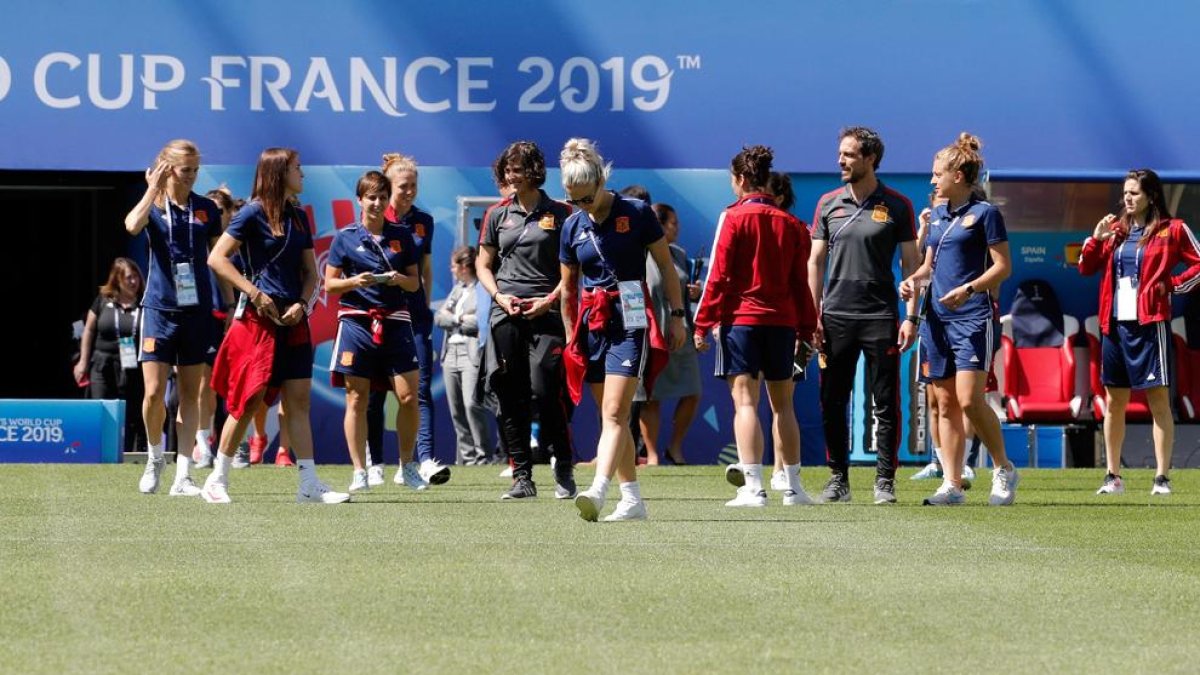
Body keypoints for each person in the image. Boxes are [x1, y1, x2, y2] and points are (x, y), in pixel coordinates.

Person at [202, 147, 349, 504]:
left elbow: (312, 273)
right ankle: (217, 479)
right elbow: (217, 258)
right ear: (279, 172)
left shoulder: (298, 216)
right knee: (249, 399)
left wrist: (302, 304)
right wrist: (254, 293)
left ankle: (309, 484)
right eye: (297, 168)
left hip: (293, 320)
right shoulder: (250, 213)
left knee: (298, 401)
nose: (303, 174)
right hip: (258, 319)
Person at [559, 138, 687, 521]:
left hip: (630, 312)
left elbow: (665, 267)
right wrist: (570, 335)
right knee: (610, 415)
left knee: (616, 411)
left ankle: (598, 491)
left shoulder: (637, 212)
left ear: (602, 181)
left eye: (587, 197)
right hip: (592, 321)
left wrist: (677, 315)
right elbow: (567, 288)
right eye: (574, 200)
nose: (582, 206)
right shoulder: (571, 226)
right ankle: (632, 500)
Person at [693, 145, 818, 507]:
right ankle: (794, 489)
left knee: (745, 403)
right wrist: (807, 330)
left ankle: (753, 488)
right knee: (784, 406)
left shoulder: (732, 217)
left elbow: (718, 276)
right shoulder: (793, 225)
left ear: (741, 179)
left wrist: (701, 323)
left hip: (742, 323)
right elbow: (801, 285)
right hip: (782, 325)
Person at [899, 132, 1018, 506]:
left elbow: (1003, 267)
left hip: (973, 318)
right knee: (945, 402)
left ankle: (1003, 468)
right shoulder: (936, 215)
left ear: (959, 176)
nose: (932, 180)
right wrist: (912, 281)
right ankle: (952, 484)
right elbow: (928, 267)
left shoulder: (987, 214)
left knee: (969, 401)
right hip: (936, 321)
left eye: (938, 174)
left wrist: (968, 289)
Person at [809, 127, 920, 505]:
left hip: (880, 316)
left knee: (885, 402)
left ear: (870, 159)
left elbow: (911, 264)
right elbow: (815, 261)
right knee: (832, 401)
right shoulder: (828, 203)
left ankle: (885, 481)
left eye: (849, 155)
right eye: (840, 153)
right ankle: (838, 479)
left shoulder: (898, 205)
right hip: (835, 317)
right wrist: (814, 313)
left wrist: (911, 317)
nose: (840, 160)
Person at [1078, 168, 1200, 496]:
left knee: (1158, 399)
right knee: (1114, 401)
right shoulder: (1115, 231)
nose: (1128, 199)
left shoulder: (1173, 229)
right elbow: (1086, 267)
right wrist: (1097, 238)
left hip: (1149, 324)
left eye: (1134, 193)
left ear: (1151, 195)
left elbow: (1199, 263)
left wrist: (1172, 285)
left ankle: (1161, 478)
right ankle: (1112, 476)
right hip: (1114, 325)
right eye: (1125, 193)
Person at [477, 141, 577, 499]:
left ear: (534, 171)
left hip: (548, 314)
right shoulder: (496, 214)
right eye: (506, 170)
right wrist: (499, 297)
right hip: (506, 313)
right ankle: (522, 476)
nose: (510, 175)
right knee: (510, 394)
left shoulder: (563, 213)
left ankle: (563, 464)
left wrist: (548, 300)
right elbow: (483, 265)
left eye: (517, 169)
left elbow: (573, 270)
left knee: (546, 388)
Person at [123, 139, 222, 497]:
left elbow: (219, 257)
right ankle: (155, 458)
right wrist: (152, 188)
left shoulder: (206, 209)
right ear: (167, 169)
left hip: (196, 311)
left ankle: (184, 475)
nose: (192, 176)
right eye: (185, 170)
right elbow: (131, 225)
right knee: (153, 394)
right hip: (158, 309)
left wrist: (229, 304)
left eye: (195, 170)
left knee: (190, 394)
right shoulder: (153, 205)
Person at [325, 170, 427, 493]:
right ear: (360, 200)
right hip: (356, 323)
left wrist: (398, 279)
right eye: (371, 197)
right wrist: (355, 282)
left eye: (383, 197)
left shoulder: (402, 235)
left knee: (408, 397)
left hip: (395, 321)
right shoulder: (345, 237)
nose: (378, 203)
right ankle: (360, 471)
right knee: (357, 397)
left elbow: (415, 283)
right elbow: (329, 285)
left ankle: (407, 466)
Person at [379, 152, 451, 486]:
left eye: (413, 186)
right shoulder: (375, 217)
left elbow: (425, 269)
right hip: (381, 315)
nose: (409, 192)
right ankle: (372, 463)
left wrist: (422, 305)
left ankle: (423, 461)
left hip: (416, 317)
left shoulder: (424, 221)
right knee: (376, 392)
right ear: (388, 186)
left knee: (420, 389)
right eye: (403, 186)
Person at [634, 203, 701, 465]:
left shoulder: (679, 254)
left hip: (680, 331)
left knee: (693, 391)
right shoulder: (638, 253)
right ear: (658, 225)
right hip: (650, 334)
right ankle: (651, 455)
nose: (678, 228)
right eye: (673, 223)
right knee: (650, 397)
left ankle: (675, 447)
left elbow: (681, 292)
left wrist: (692, 294)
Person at [74, 258, 147, 454]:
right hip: (102, 363)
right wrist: (83, 361)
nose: (134, 281)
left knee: (133, 412)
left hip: (133, 366)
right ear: (117, 279)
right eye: (129, 278)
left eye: (136, 277)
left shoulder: (144, 303)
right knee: (101, 407)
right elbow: (89, 330)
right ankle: (97, 452)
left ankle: (130, 453)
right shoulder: (103, 300)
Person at [435, 245, 494, 466]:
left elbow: (479, 322)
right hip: (450, 353)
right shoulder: (457, 290)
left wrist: (454, 319)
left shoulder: (482, 290)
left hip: (470, 354)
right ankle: (468, 458)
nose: (452, 270)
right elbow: (439, 318)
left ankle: (483, 455)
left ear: (464, 267)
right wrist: (460, 319)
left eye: (454, 266)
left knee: (472, 404)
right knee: (456, 409)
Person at [194, 187, 237, 468]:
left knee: (235, 385)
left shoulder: (239, 242)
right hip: (206, 318)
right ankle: (202, 444)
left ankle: (236, 446)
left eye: (219, 211)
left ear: (229, 213)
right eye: (208, 210)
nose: (213, 215)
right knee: (204, 385)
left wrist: (233, 308)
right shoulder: (198, 242)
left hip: (236, 318)